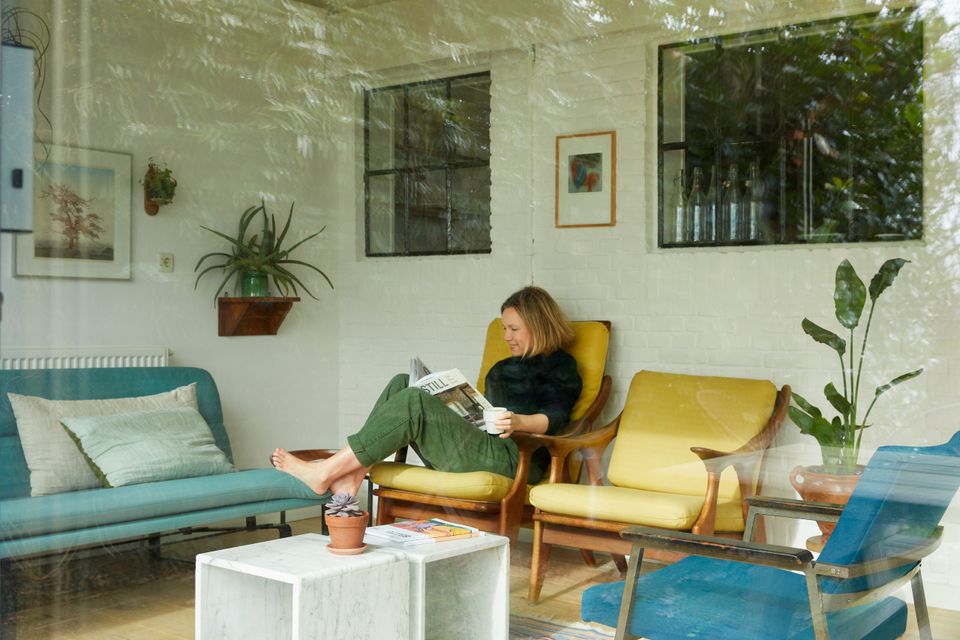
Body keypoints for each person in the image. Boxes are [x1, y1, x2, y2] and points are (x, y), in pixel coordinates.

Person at [271, 286, 582, 497]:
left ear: (539, 326)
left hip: (516, 458)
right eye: (504, 328)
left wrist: (518, 422)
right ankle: (353, 473)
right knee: (403, 383)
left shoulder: (561, 365)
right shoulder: (501, 368)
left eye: (514, 329)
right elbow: (484, 414)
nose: (506, 336)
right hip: (482, 445)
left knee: (414, 401)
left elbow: (555, 417)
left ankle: (327, 472)